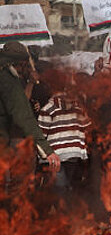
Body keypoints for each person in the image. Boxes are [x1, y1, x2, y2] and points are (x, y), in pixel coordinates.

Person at [0, 41, 60, 173]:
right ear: (18, 64)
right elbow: (23, 115)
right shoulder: (6, 77)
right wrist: (47, 150)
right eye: (23, 65)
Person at [37, 70, 91, 209]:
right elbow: (87, 128)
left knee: (62, 188)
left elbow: (41, 134)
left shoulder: (48, 108)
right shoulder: (76, 107)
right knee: (65, 187)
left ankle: (64, 218)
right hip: (68, 155)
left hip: (56, 156)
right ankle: (66, 218)